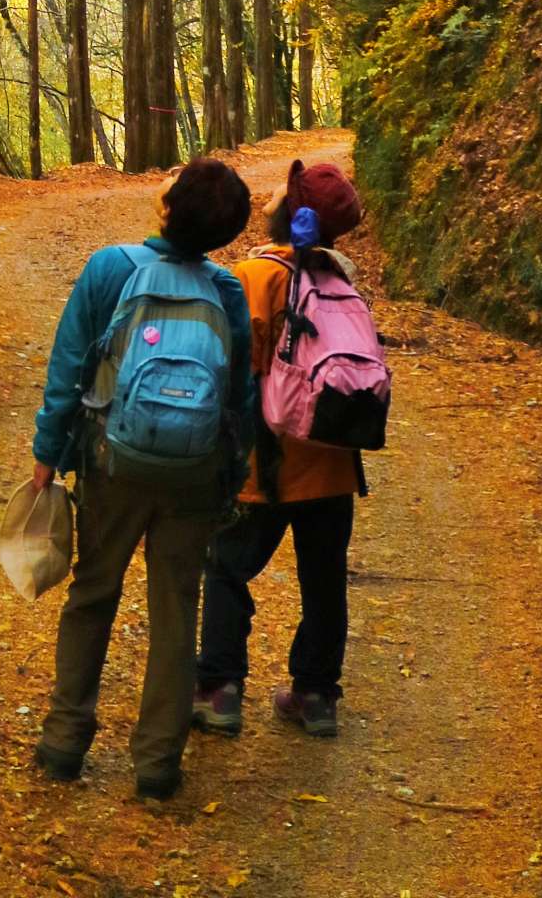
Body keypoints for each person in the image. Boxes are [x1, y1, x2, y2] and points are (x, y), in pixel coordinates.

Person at [29, 157, 254, 801]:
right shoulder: (226, 291)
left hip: (112, 464)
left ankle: (65, 740)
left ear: (167, 206)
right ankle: (157, 761)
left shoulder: (110, 269)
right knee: (177, 608)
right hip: (193, 474)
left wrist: (48, 454)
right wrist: (231, 475)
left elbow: (68, 370)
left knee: (93, 591)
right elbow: (240, 397)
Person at [193, 157, 369, 742]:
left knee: (225, 569)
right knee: (325, 582)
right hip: (332, 462)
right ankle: (316, 696)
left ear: (291, 213)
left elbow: (232, 367)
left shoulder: (251, 277)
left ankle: (220, 688)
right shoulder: (339, 280)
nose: (267, 197)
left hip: (264, 463)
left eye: (279, 194)